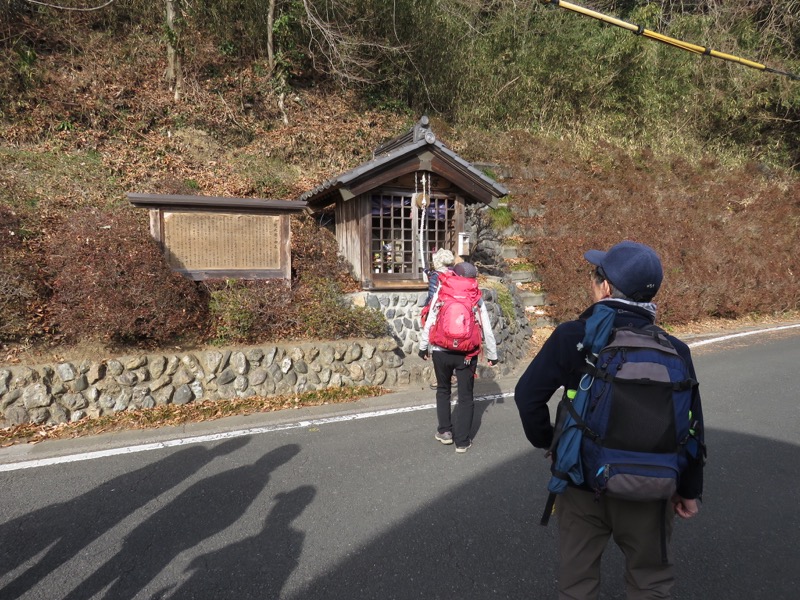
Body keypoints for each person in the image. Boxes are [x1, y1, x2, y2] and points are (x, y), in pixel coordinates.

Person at [514, 240, 705, 599]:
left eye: (595, 275)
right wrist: (689, 490)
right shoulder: (675, 349)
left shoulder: (575, 335)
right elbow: (692, 426)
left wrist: (552, 442)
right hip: (653, 488)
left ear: (604, 286)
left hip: (583, 482)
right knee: (650, 583)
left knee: (579, 585)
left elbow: (527, 397)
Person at [419, 261, 499, 453]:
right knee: (465, 396)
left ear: (454, 274)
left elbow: (430, 320)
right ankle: (462, 442)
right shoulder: (474, 295)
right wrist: (492, 354)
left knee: (443, 390)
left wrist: (423, 347)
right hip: (466, 353)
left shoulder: (443, 291)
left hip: (440, 350)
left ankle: (445, 432)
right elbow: (486, 327)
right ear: (473, 278)